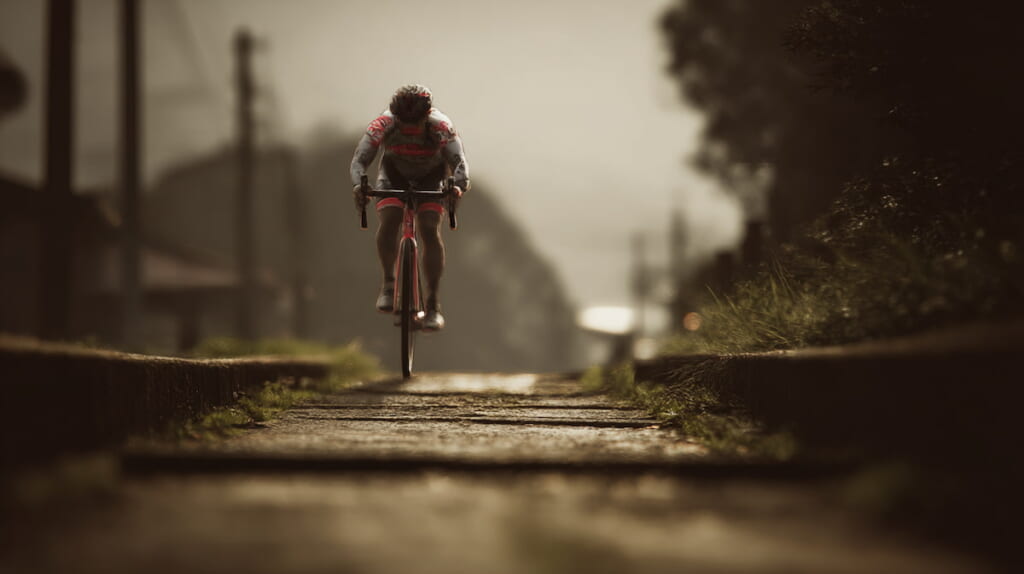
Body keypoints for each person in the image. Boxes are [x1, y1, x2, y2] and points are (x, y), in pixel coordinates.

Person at [351, 84, 470, 331]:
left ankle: (433, 303)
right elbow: (359, 160)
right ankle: (388, 283)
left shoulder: (440, 125)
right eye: (404, 126)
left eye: (414, 126)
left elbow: (459, 162)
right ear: (396, 118)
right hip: (394, 175)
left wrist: (457, 187)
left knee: (428, 228)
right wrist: (359, 186)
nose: (410, 133)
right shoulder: (383, 124)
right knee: (390, 219)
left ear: (426, 117)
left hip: (432, 175)